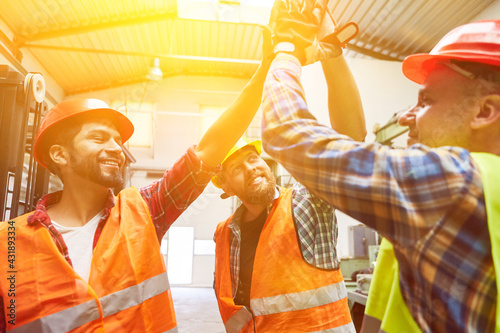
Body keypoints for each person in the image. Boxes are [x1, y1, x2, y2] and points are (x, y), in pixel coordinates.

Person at [0, 28, 273, 332]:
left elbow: (209, 149)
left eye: (118, 140)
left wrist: (265, 71)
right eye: (99, 138)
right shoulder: (9, 243)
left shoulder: (142, 212)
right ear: (60, 155)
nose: (116, 148)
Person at [261, 1, 500, 330]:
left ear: (485, 112)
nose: (405, 117)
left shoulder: (454, 183)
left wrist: (285, 49)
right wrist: (332, 52)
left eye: (425, 101)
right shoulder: (481, 192)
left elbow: (286, 133)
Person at [212, 40, 366, 331]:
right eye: (236, 168)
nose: (252, 167)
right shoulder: (225, 235)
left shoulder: (306, 202)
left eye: (254, 158)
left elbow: (350, 140)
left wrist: (332, 52)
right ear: (227, 188)